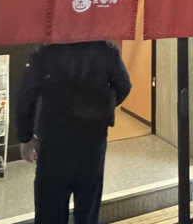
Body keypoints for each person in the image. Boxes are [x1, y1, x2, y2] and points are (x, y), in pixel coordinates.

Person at [17, 41, 132, 224]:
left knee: (50, 211)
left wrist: (26, 137)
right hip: (92, 141)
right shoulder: (107, 50)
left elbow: (26, 95)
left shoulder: (46, 52)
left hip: (54, 141)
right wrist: (102, 107)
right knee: (88, 210)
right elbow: (124, 86)